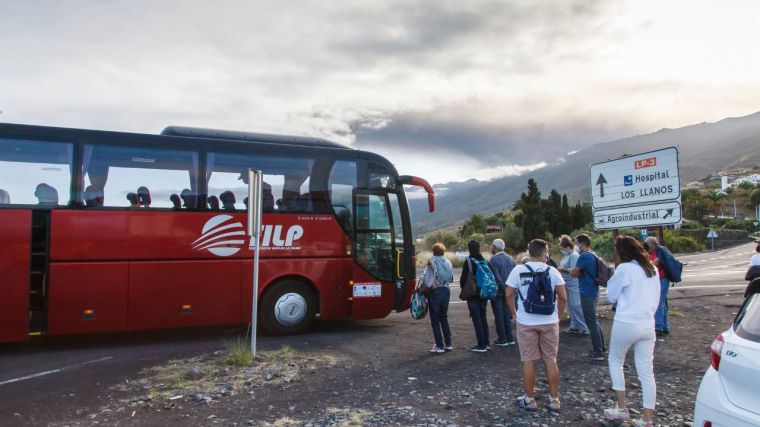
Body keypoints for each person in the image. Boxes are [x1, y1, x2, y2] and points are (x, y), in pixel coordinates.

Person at [603, 236, 660, 427]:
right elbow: (657, 298)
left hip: (626, 322)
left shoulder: (624, 269)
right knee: (646, 371)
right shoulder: (651, 268)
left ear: (621, 252)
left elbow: (611, 296)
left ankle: (621, 408)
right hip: (647, 323)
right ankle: (647, 419)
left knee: (616, 360)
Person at [506, 239, 567, 414]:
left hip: (526, 321)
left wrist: (514, 314)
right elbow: (563, 297)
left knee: (528, 359)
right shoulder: (553, 271)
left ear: (529, 252)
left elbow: (509, 293)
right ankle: (554, 400)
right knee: (550, 359)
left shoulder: (518, 270)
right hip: (549, 321)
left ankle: (530, 399)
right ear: (544, 253)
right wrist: (557, 316)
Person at [571, 234, 607, 361]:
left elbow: (574, 272)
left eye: (578, 243)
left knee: (591, 322)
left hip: (586, 292)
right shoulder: (593, 254)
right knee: (594, 320)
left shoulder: (584, 256)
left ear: (582, 243)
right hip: (594, 290)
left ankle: (597, 351)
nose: (577, 246)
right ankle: (601, 346)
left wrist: (577, 272)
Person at [644, 237, 682, 336]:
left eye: (647, 244)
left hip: (662, 279)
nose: (646, 245)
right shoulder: (649, 252)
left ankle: (658, 327)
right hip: (656, 280)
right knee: (662, 302)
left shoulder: (660, 251)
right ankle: (665, 327)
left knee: (659, 302)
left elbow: (654, 264)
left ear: (652, 244)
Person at [460, 240, 491, 352]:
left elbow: (463, 279)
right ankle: (487, 343)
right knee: (483, 317)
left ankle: (481, 344)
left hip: (473, 293)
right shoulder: (484, 260)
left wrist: (465, 290)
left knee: (476, 319)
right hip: (484, 292)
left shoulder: (468, 261)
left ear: (469, 249)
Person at [557, 235, 589, 336]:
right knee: (570, 306)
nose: (562, 251)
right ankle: (574, 325)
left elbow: (576, 270)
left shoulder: (574, 256)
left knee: (576, 305)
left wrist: (563, 270)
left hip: (574, 283)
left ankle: (584, 327)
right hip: (567, 283)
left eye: (563, 249)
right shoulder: (567, 256)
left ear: (568, 247)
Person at [488, 239, 516, 347]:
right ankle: (510, 338)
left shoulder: (493, 260)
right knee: (507, 314)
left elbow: (496, 277)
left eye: (492, 246)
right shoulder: (510, 259)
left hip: (499, 291)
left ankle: (502, 338)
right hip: (509, 290)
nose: (491, 248)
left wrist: (504, 288)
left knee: (498, 315)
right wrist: (509, 289)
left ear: (495, 247)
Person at [428, 243, 454, 353]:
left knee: (435, 319)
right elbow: (451, 278)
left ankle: (439, 345)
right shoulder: (448, 262)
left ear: (434, 251)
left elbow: (427, 276)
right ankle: (448, 344)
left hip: (436, 291)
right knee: (444, 317)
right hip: (446, 290)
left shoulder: (431, 261)